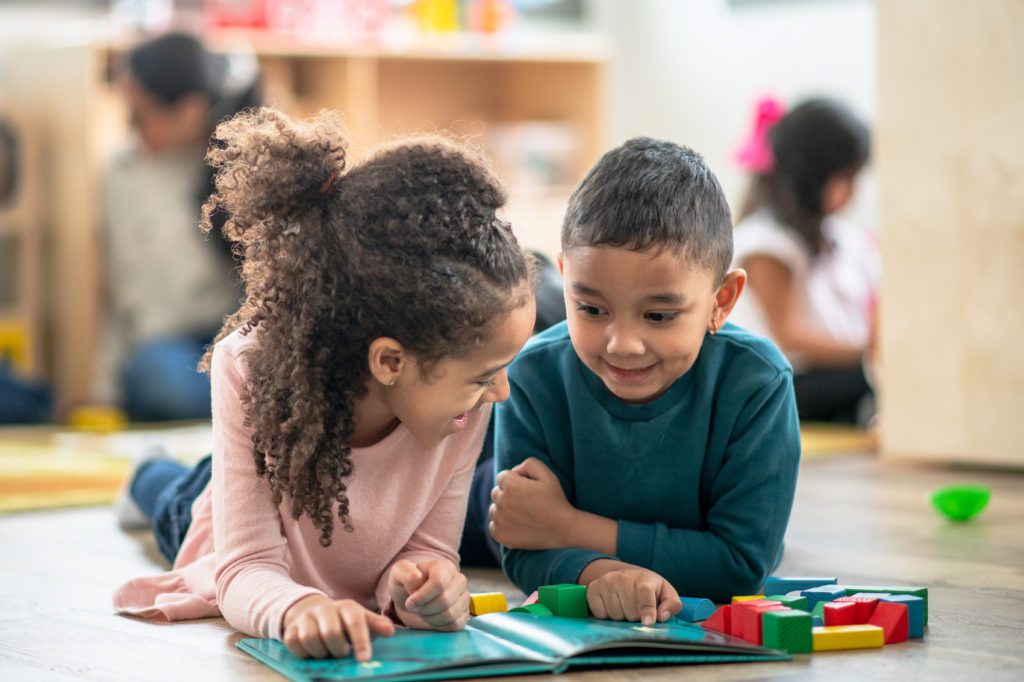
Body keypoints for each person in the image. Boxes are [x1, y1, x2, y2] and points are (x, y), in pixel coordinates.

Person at [112, 107, 537, 662]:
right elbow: (245, 569)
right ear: (390, 362)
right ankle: (145, 472)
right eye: (484, 376)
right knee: (179, 502)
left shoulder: (464, 403)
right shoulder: (250, 366)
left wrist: (423, 587)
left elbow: (427, 549)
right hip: (246, 521)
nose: (501, 392)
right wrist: (298, 609)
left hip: (339, 530)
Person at [487, 138, 801, 624]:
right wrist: (603, 573)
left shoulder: (758, 383)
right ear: (566, 276)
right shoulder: (531, 374)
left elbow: (739, 565)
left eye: (658, 315)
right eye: (591, 309)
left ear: (722, 300)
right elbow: (519, 541)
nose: (622, 344)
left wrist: (569, 526)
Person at [95, 32, 262, 422]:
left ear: (190, 111)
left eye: (139, 115)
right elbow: (117, 288)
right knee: (162, 380)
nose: (130, 129)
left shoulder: (242, 165)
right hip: (169, 350)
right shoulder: (123, 171)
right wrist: (102, 390)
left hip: (240, 338)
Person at [730, 97, 877, 425]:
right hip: (782, 383)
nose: (853, 193)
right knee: (871, 380)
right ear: (812, 174)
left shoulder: (838, 236)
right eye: (846, 178)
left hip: (828, 375)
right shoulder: (766, 242)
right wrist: (870, 352)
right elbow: (791, 333)